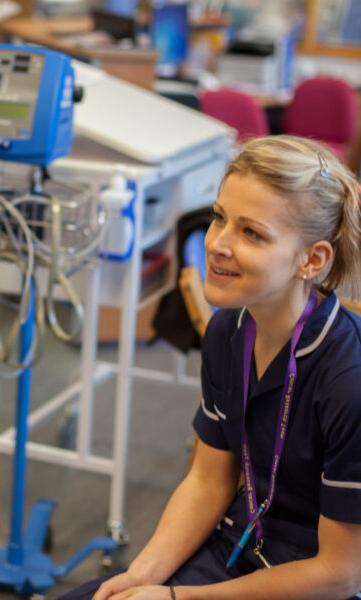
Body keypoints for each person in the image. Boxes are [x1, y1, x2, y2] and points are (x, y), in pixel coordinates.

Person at [59, 135, 361, 600]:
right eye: (219, 218)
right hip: (234, 547)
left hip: (308, 582)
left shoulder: (349, 380)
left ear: (312, 259)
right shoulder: (229, 330)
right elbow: (208, 479)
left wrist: (179, 598)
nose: (217, 244)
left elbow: (340, 575)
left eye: (252, 233)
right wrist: (141, 578)